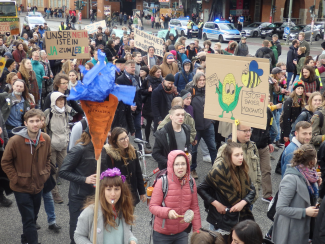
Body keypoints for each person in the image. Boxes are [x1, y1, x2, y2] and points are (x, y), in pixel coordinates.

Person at [1, 109, 51, 244]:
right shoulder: (15, 140)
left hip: (38, 185)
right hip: (21, 188)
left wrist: (45, 174)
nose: (35, 124)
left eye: (37, 121)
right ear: (25, 123)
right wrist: (16, 178)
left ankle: (25, 239)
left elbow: (48, 158)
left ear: (42, 122)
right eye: (31, 121)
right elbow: (5, 162)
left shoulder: (46, 138)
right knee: (29, 219)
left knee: (33, 217)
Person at [198, 142, 256, 242]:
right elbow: (200, 188)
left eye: (241, 154)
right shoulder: (218, 171)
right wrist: (216, 204)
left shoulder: (241, 169)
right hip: (221, 219)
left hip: (238, 217)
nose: (241, 157)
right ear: (229, 156)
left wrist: (243, 203)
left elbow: (252, 190)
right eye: (237, 155)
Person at [74, 167, 137, 244]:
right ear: (102, 191)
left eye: (116, 189)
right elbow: (78, 236)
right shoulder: (91, 211)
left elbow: (126, 231)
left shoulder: (124, 208)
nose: (113, 194)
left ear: (122, 191)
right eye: (109, 189)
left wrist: (132, 239)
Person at [272, 144, 321, 244]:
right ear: (311, 161)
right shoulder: (291, 179)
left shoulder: (310, 175)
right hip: (290, 232)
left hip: (304, 227)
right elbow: (280, 208)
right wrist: (304, 212)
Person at [149, 150, 201, 243]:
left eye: (183, 164)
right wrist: (167, 212)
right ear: (171, 166)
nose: (180, 167)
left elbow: (194, 208)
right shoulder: (162, 182)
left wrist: (197, 232)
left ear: (187, 165)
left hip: (182, 232)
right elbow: (152, 206)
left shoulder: (191, 182)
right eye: (176, 164)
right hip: (162, 234)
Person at [59, 127, 98, 244]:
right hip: (79, 196)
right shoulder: (79, 149)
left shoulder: (103, 150)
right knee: (77, 227)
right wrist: (84, 179)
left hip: (96, 196)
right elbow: (63, 172)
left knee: (93, 227)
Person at [101, 127, 146, 206]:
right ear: (114, 141)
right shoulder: (109, 155)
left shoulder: (133, 151)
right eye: (121, 139)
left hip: (132, 193)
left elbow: (138, 173)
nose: (126, 140)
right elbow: (106, 179)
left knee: (130, 216)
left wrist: (142, 192)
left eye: (126, 137)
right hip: (117, 195)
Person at [188, 72, 217, 179]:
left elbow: (215, 104)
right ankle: (193, 169)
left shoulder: (209, 91)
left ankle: (216, 169)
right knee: (194, 150)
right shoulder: (191, 91)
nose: (202, 82)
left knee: (213, 148)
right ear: (196, 81)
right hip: (196, 128)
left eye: (204, 80)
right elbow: (186, 107)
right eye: (200, 80)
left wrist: (212, 120)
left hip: (208, 125)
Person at [116, 60, 145, 152]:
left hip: (137, 108)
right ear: (126, 67)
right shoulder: (120, 79)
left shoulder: (136, 77)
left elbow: (138, 93)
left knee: (138, 127)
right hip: (126, 110)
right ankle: (126, 150)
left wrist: (139, 105)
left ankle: (141, 149)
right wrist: (129, 106)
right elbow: (120, 96)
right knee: (125, 130)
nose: (134, 69)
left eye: (134, 67)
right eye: (132, 67)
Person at [152, 105, 193, 170]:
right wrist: (169, 162)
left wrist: (189, 153)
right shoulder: (162, 133)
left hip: (183, 168)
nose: (181, 117)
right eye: (178, 115)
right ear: (171, 117)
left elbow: (186, 146)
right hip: (168, 169)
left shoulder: (186, 129)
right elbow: (155, 153)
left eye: (182, 115)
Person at [250, 106, 274, 202]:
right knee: (250, 171)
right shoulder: (250, 109)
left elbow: (268, 128)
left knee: (266, 170)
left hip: (264, 147)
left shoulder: (268, 111)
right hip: (251, 146)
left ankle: (267, 194)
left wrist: (269, 142)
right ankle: (247, 193)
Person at [141, 65, 163, 148]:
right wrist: (148, 91)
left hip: (158, 104)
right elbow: (141, 90)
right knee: (148, 123)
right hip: (149, 104)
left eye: (160, 72)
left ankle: (159, 143)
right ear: (153, 72)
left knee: (159, 123)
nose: (159, 74)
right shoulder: (147, 79)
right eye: (158, 72)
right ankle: (147, 140)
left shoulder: (161, 80)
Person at [282, 81, 306, 145]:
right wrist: (286, 134)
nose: (300, 90)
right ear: (295, 89)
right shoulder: (289, 101)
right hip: (290, 128)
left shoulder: (301, 99)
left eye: (301, 88)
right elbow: (286, 118)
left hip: (298, 127)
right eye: (298, 88)